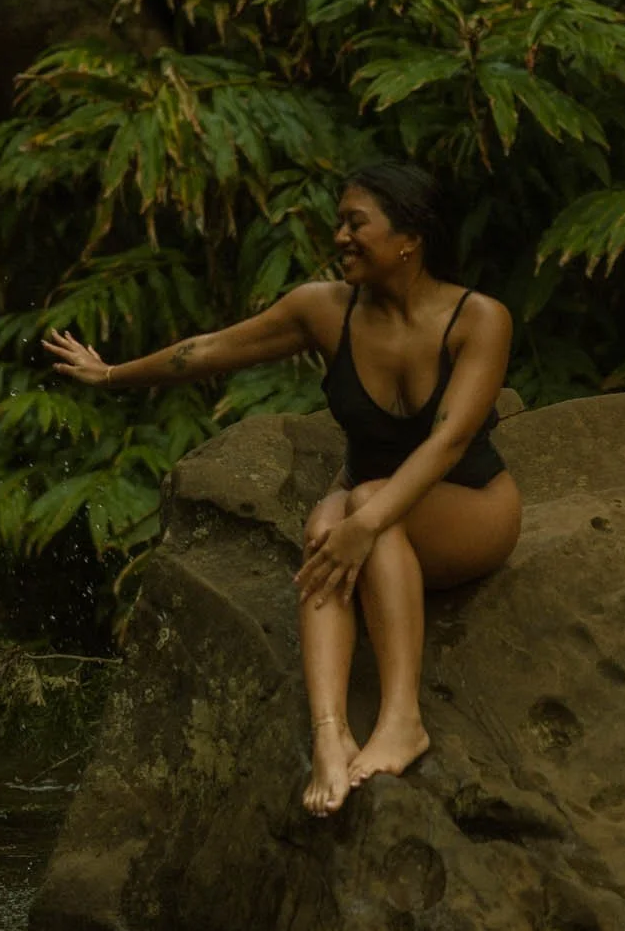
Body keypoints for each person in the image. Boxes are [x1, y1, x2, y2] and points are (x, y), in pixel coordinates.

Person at [43, 162, 522, 817]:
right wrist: (110, 375)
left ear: (410, 237)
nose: (341, 237)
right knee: (328, 521)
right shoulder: (323, 310)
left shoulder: (479, 319)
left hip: (473, 510)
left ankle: (403, 718)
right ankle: (331, 736)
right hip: (373, 510)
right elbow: (207, 351)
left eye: (357, 223)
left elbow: (445, 443)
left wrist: (365, 520)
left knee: (351, 509)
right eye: (339, 223)